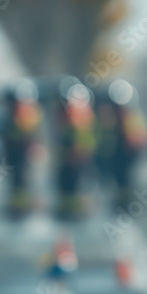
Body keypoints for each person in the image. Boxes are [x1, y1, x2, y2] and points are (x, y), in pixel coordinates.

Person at [95, 79, 147, 209]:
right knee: (120, 179)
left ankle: (125, 203)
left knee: (125, 179)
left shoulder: (131, 114)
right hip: (118, 152)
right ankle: (122, 202)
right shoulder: (113, 115)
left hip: (128, 152)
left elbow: (139, 135)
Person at [1, 79, 42, 216]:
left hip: (22, 151)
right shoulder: (20, 111)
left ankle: (23, 206)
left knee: (23, 178)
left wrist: (32, 145)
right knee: (18, 179)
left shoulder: (28, 112)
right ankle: (20, 205)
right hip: (15, 151)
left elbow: (30, 132)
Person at [56, 80, 96, 219]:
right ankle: (70, 208)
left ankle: (72, 209)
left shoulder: (76, 112)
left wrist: (78, 154)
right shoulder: (80, 111)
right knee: (68, 182)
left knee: (72, 182)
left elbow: (78, 137)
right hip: (72, 155)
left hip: (75, 155)